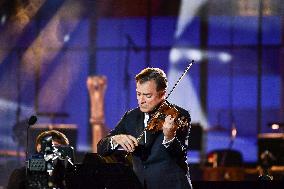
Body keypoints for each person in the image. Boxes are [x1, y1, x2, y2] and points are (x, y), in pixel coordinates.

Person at [97, 68, 192, 189]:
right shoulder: (131, 116)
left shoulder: (179, 115)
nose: (141, 100)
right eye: (138, 94)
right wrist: (116, 139)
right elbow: (101, 148)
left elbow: (180, 154)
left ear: (162, 94)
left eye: (147, 95)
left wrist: (169, 137)